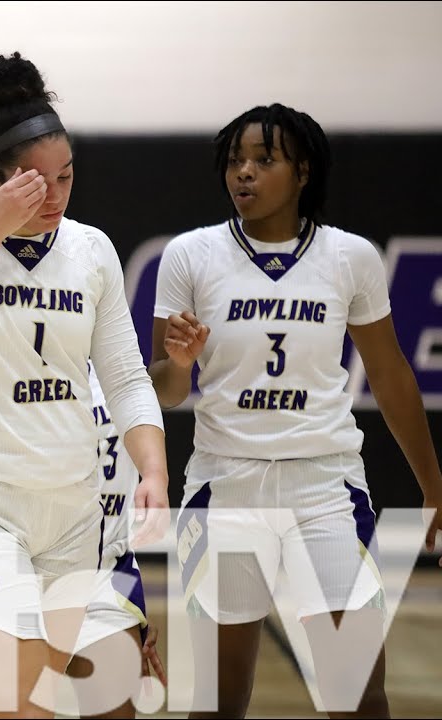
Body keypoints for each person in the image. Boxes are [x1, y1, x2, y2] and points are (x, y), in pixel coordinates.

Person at [0, 51, 170, 718]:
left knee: (121, 703)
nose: (53, 195)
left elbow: (128, 376)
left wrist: (154, 470)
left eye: (66, 178)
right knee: (19, 708)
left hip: (78, 515)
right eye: (32, 182)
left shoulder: (92, 251)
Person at [150, 102, 442, 718]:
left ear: (303, 171)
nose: (244, 174)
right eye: (234, 163)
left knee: (358, 696)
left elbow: (389, 376)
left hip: (325, 488)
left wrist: (433, 484)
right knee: (221, 701)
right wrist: (179, 363)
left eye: (263, 160)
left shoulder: (349, 257)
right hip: (225, 486)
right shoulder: (190, 256)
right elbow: (166, 390)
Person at [64, 362, 166, 718]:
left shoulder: (120, 361)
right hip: (24, 560)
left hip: (104, 569)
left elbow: (165, 388)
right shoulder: (10, 350)